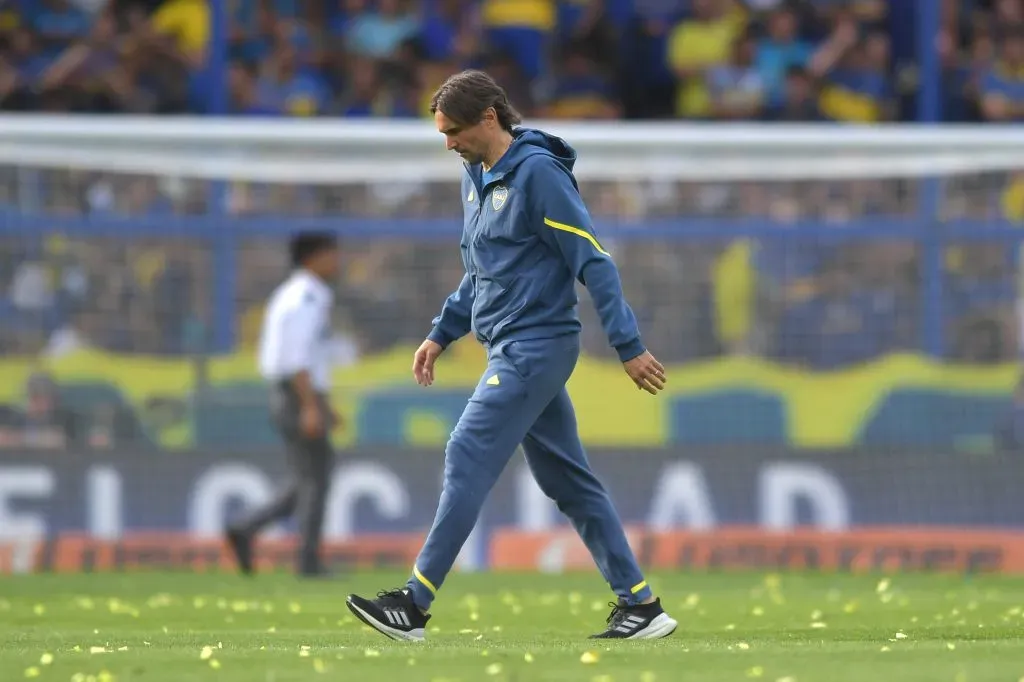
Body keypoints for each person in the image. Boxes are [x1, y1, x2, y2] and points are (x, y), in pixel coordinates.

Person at [346, 70, 677, 641]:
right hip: (508, 344)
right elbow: (482, 270)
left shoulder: (539, 176)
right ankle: (642, 606)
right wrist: (441, 332)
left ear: (490, 118)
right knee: (569, 482)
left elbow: (593, 259)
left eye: (453, 131)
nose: (447, 143)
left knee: (467, 450)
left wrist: (628, 345)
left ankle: (414, 603)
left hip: (536, 346)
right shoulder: (475, 176)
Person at [225, 232, 341, 577]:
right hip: (295, 393)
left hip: (295, 392)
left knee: (307, 477)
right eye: (331, 254)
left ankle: (245, 529)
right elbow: (297, 358)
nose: (338, 262)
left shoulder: (295, 294)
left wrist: (323, 404)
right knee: (315, 478)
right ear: (313, 258)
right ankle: (307, 561)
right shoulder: (306, 297)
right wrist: (309, 405)